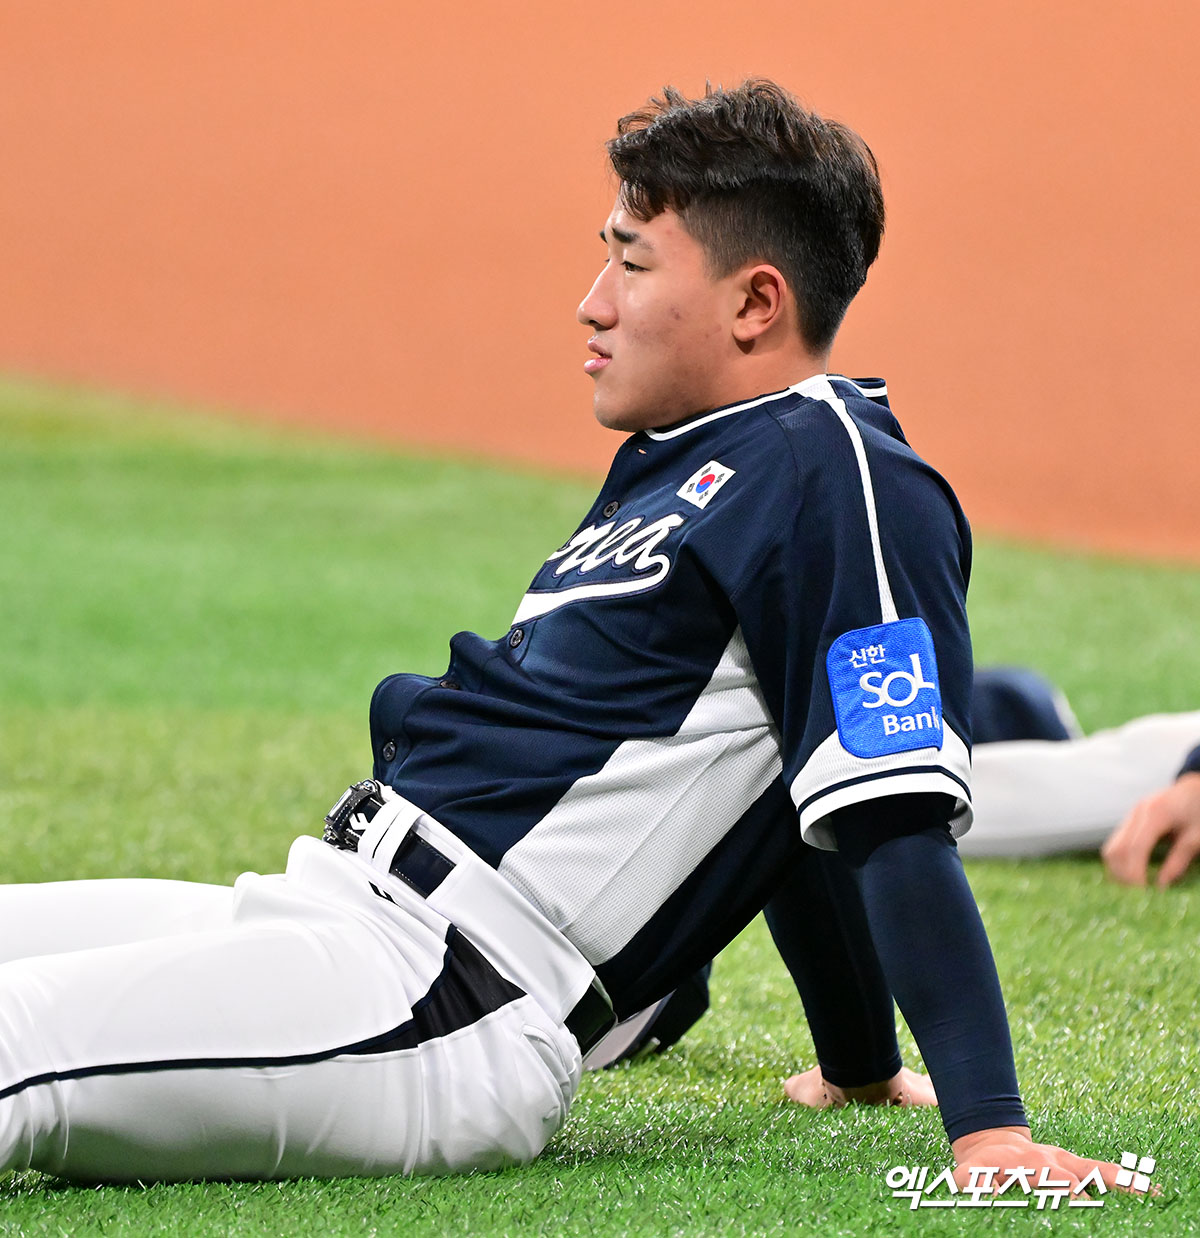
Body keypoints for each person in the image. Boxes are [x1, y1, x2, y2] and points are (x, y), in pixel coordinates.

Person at [0, 80, 1125, 1191]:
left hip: (441, 993)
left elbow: (886, 810)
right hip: (336, 913)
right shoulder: (693, 460)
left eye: (632, 264)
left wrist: (989, 1128)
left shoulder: (837, 471)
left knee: (21, 1038)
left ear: (755, 303)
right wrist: (861, 1065)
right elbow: (797, 781)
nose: (592, 303)